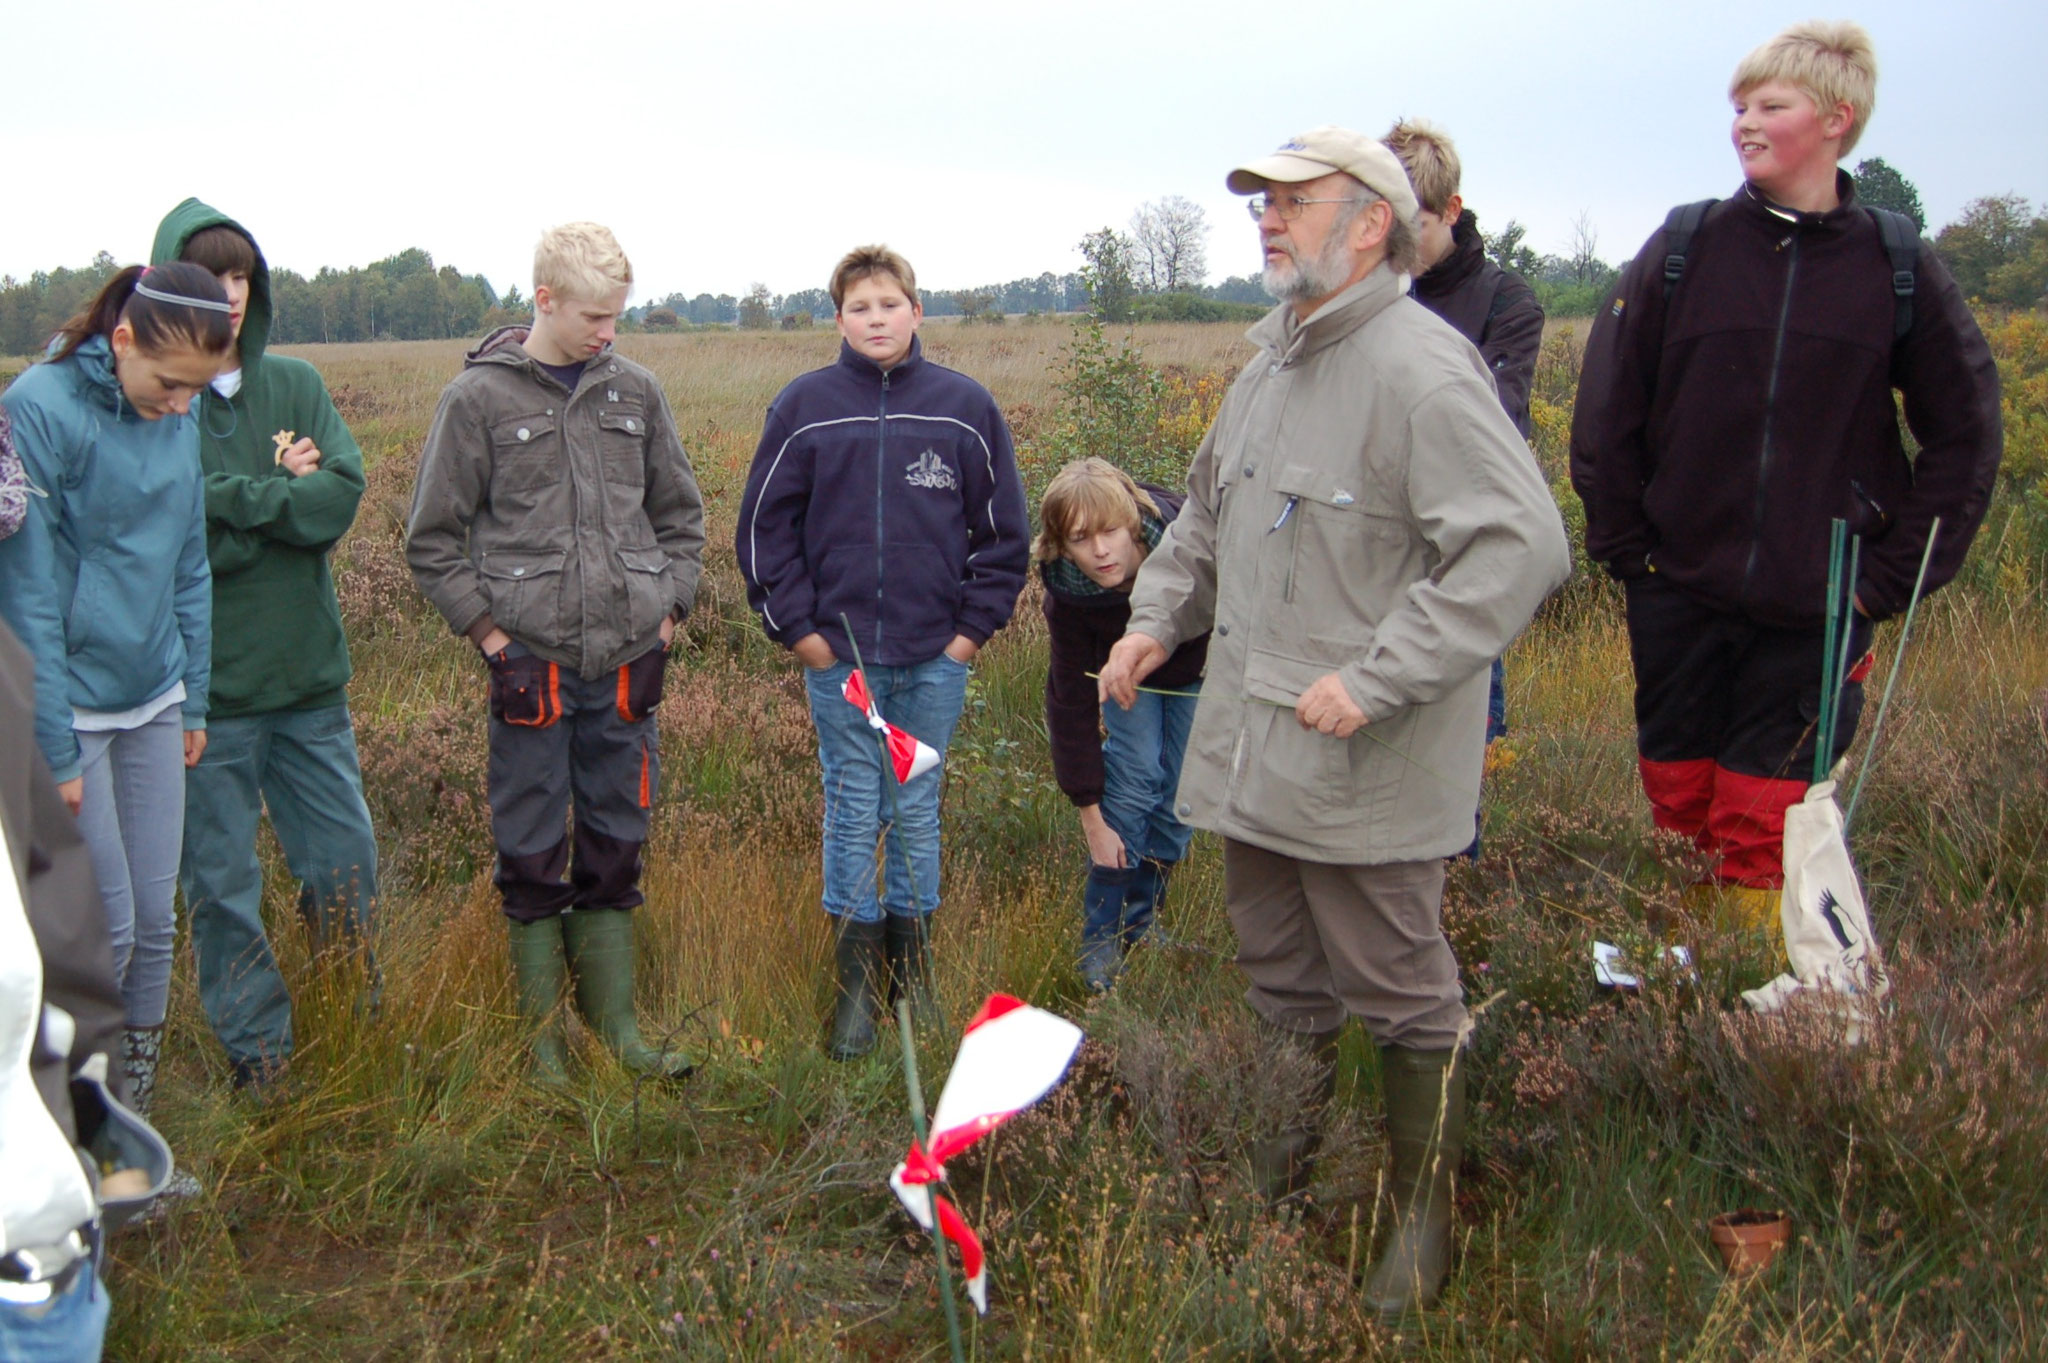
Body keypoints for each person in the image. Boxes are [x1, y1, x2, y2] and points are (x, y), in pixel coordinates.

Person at [1099, 126, 1570, 1314]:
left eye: (1293, 201)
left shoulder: (1420, 368)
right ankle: (1287, 1170)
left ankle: (1420, 1215)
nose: (1266, 217)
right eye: (1261, 200)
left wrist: (1377, 675)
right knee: (1279, 975)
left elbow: (1520, 547)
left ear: (1371, 222)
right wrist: (1156, 618)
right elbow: (1201, 520)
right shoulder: (1270, 362)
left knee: (1400, 984)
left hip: (1367, 754)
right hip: (1255, 745)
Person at [1569, 21, 2001, 928]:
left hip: (1819, 609)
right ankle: (1676, 1008)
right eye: (1738, 107)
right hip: (1677, 595)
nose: (1745, 124)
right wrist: (1632, 559)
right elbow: (1607, 411)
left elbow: (1965, 437)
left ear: (1837, 119)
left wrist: (1881, 580)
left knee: (1764, 832)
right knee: (1681, 819)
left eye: (1771, 105)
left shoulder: (1898, 265)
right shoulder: (1684, 248)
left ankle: (1758, 1025)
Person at [406, 223, 703, 1084]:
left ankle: (619, 1032)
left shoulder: (637, 393)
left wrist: (669, 614)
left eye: (618, 316)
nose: (608, 332)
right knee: (532, 847)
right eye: (594, 317)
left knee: (617, 840)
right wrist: (493, 640)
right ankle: (543, 1047)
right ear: (544, 299)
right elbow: (430, 541)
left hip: (627, 664)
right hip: (528, 665)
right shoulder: (478, 402)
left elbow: (682, 517)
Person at [736, 245, 1028, 1061]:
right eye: (859, 307)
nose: (876, 319)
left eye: (890, 305)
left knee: (917, 808)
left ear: (917, 311)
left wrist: (967, 639)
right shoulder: (805, 406)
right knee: (854, 807)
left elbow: (1004, 536)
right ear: (838, 318)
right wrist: (806, 639)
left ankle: (917, 979)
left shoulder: (964, 408)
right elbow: (763, 534)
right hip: (844, 666)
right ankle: (855, 991)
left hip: (935, 658)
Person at [151, 199, 379, 1092]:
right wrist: (277, 503)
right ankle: (261, 1058)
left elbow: (339, 500)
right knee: (220, 890)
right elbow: (179, 546)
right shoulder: (158, 404)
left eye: (241, 276)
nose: (230, 295)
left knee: (345, 865)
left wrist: (230, 499)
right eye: (208, 277)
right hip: (208, 699)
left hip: (309, 686)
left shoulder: (296, 385)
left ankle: (352, 1025)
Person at [0, 262, 229, 1117]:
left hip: (157, 698)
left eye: (196, 390)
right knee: (106, 931)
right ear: (121, 339)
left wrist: (194, 696)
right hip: (71, 712)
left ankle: (134, 1120)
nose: (181, 407)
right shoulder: (38, 408)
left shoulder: (182, 409)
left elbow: (188, 561)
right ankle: (78, 1128)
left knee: (158, 922)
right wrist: (52, 746)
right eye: (169, 384)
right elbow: (24, 591)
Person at [2, 617, 174, 1361]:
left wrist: (93, 1109)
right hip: (30, 1252)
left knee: (149, 920)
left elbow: (55, 908)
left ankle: (129, 1105)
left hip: (37, 1257)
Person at [1385, 120, 1545, 858]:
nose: (1391, 239)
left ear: (1451, 211)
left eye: (1410, 222)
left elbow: (1495, 431)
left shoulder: (1505, 303)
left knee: (1455, 761)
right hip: (1367, 562)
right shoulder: (1363, 294)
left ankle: (1455, 924)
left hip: (1455, 565)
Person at [1035, 458, 1207, 992]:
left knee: (1183, 789)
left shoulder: (1185, 547)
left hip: (1196, 670)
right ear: (1062, 545)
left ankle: (1143, 921)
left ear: (1133, 525)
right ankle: (1102, 934)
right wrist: (1091, 814)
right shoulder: (1069, 597)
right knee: (1135, 777)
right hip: (1125, 679)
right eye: (1081, 539)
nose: (1101, 551)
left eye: (1110, 532)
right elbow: (1070, 705)